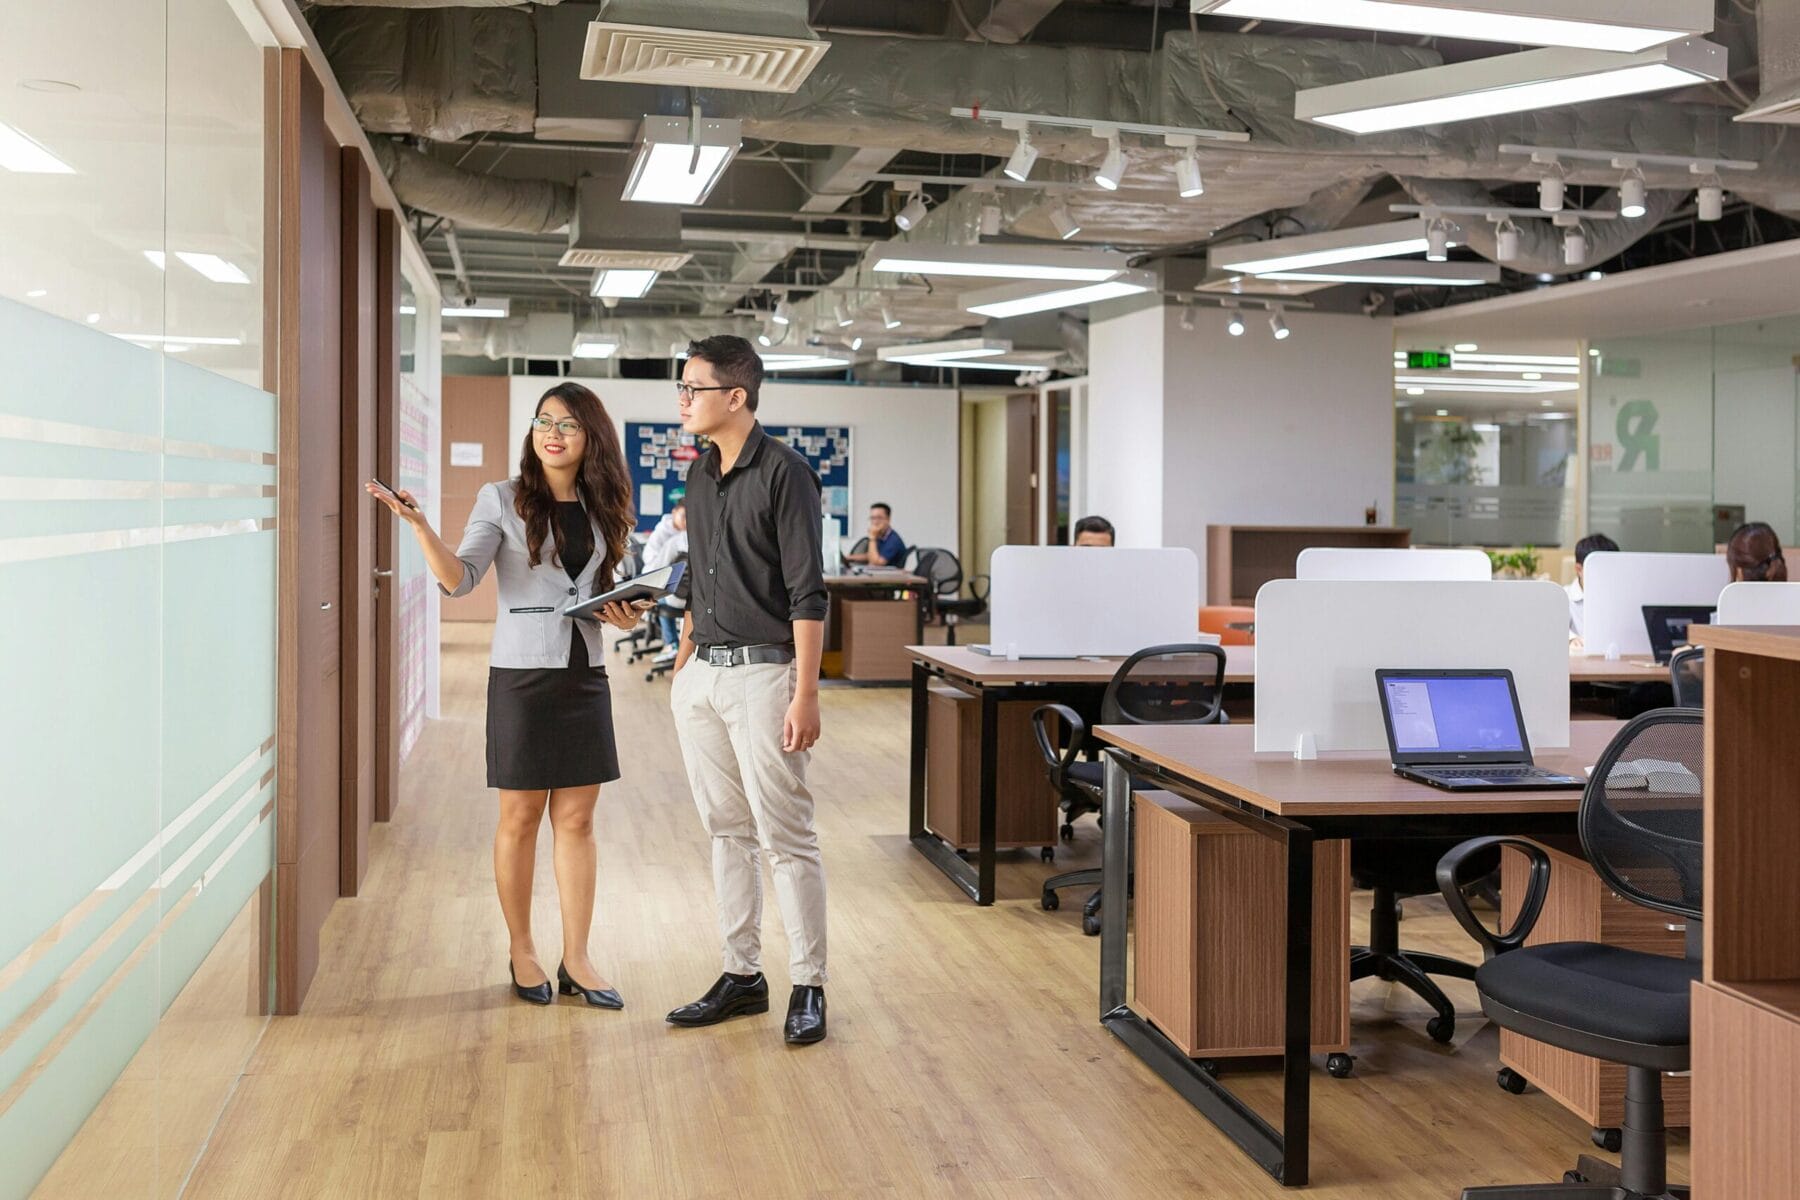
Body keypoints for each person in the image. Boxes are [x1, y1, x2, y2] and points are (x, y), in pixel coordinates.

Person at [367, 382, 641, 1010]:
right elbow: (459, 581)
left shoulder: (604, 505)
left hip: (585, 675)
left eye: (568, 425)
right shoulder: (502, 498)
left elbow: (599, 588)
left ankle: (578, 956)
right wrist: (419, 527)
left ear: (590, 436)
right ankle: (522, 948)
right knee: (519, 819)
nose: (552, 433)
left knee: (577, 821)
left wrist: (621, 611)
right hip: (522, 676)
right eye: (544, 421)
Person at [663, 335, 832, 1046]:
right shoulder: (701, 476)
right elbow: (703, 573)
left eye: (694, 387)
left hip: (768, 676)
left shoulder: (787, 473)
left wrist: (806, 693)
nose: (683, 399)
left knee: (785, 836)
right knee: (726, 833)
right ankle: (742, 974)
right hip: (704, 674)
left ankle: (809, 983)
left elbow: (807, 592)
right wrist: (683, 657)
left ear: (735, 396)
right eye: (682, 386)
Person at [642, 499, 689, 663]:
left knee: (661, 597)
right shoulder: (662, 533)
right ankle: (672, 643)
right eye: (684, 516)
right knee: (660, 595)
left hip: (677, 589)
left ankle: (671, 644)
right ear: (674, 512)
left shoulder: (680, 539)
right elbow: (651, 561)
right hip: (665, 582)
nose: (686, 522)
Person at [1566, 532, 1618, 646]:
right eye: (1600, 570)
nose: (1606, 575)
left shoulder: (1619, 596)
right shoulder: (1563, 596)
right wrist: (1571, 639)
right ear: (1579, 569)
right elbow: (1552, 628)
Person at [846, 502, 906, 567]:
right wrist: (848, 558)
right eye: (872, 518)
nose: (875, 522)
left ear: (888, 519)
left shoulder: (893, 540)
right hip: (878, 575)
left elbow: (875, 564)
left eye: (879, 518)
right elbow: (871, 555)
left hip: (887, 576)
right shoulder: (881, 536)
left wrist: (872, 538)